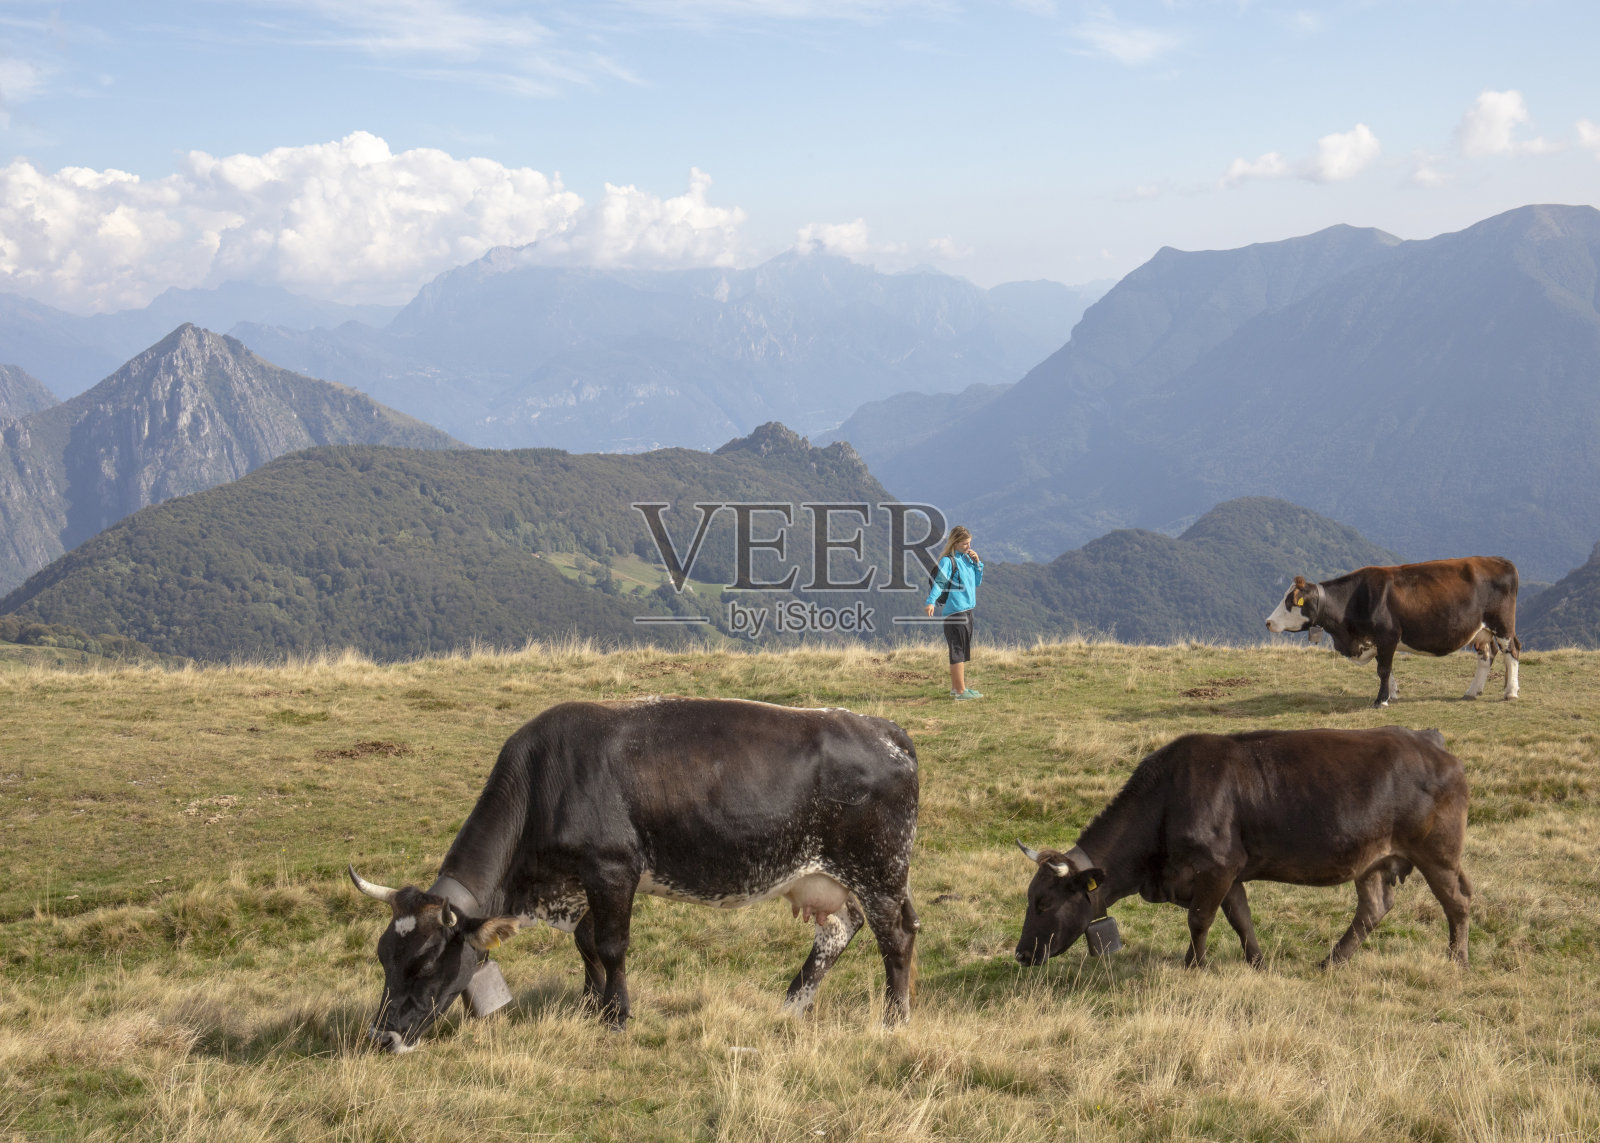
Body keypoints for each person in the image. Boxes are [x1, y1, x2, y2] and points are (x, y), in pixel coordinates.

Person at [924, 525, 984, 700]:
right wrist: (931, 601)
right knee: (957, 651)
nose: (968, 546)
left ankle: (959, 688)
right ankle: (959, 692)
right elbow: (940, 583)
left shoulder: (967, 560)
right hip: (955, 613)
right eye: (965, 543)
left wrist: (977, 563)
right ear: (955, 542)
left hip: (967, 611)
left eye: (969, 543)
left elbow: (977, 582)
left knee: (963, 651)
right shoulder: (948, 561)